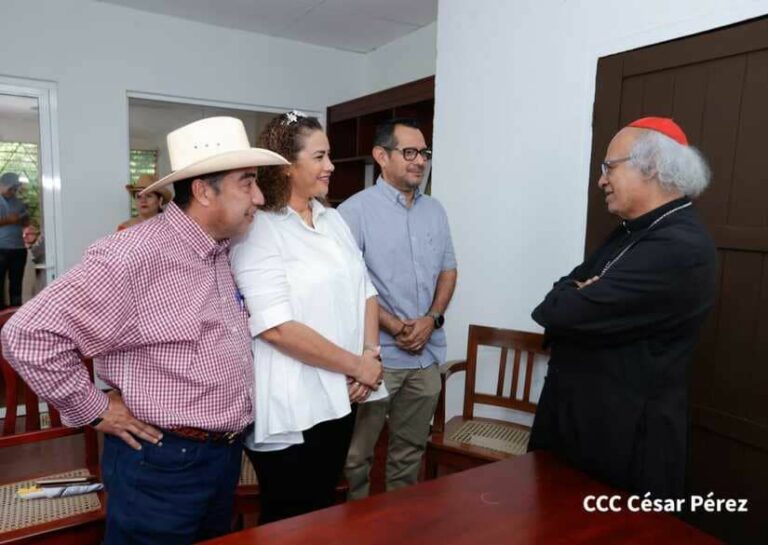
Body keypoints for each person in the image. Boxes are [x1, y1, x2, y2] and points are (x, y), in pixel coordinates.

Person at [1, 116, 288, 545]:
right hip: (161, 464)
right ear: (204, 190)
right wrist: (95, 408)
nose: (260, 197)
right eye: (246, 183)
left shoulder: (220, 250)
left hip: (222, 456)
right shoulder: (134, 255)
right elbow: (28, 333)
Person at [528, 117, 717, 499]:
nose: (601, 180)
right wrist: (578, 292)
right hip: (580, 425)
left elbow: (564, 313)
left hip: (624, 441)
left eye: (609, 167)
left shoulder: (679, 246)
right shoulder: (631, 230)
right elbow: (553, 301)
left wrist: (578, 294)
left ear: (650, 166)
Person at [229, 111, 384, 524]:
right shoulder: (260, 228)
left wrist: (370, 355)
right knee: (289, 517)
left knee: (321, 513)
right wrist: (361, 367)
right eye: (319, 157)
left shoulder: (333, 220)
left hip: (343, 394)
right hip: (293, 402)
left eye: (330, 156)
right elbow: (276, 327)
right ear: (287, 165)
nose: (330, 166)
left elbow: (365, 289)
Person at [339, 118, 458, 499]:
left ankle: (397, 524)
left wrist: (432, 319)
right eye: (409, 152)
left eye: (424, 153)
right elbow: (348, 286)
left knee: (410, 451)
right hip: (377, 360)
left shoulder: (435, 211)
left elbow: (448, 270)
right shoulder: (352, 212)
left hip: (426, 357)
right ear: (381, 156)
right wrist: (392, 325)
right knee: (356, 456)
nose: (419, 161)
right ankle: (353, 526)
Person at [0, 172, 29, 308]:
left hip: (18, 249)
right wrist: (8, 220)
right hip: (1, 248)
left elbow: (25, 224)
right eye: (10, 188)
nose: (13, 191)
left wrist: (24, 219)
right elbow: (8, 220)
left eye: (15, 188)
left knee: (16, 287)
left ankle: (14, 318)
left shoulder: (19, 203)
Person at [21, 222, 45, 301]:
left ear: (37, 234)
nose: (25, 236)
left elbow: (34, 256)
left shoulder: (39, 246)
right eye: (24, 234)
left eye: (29, 233)